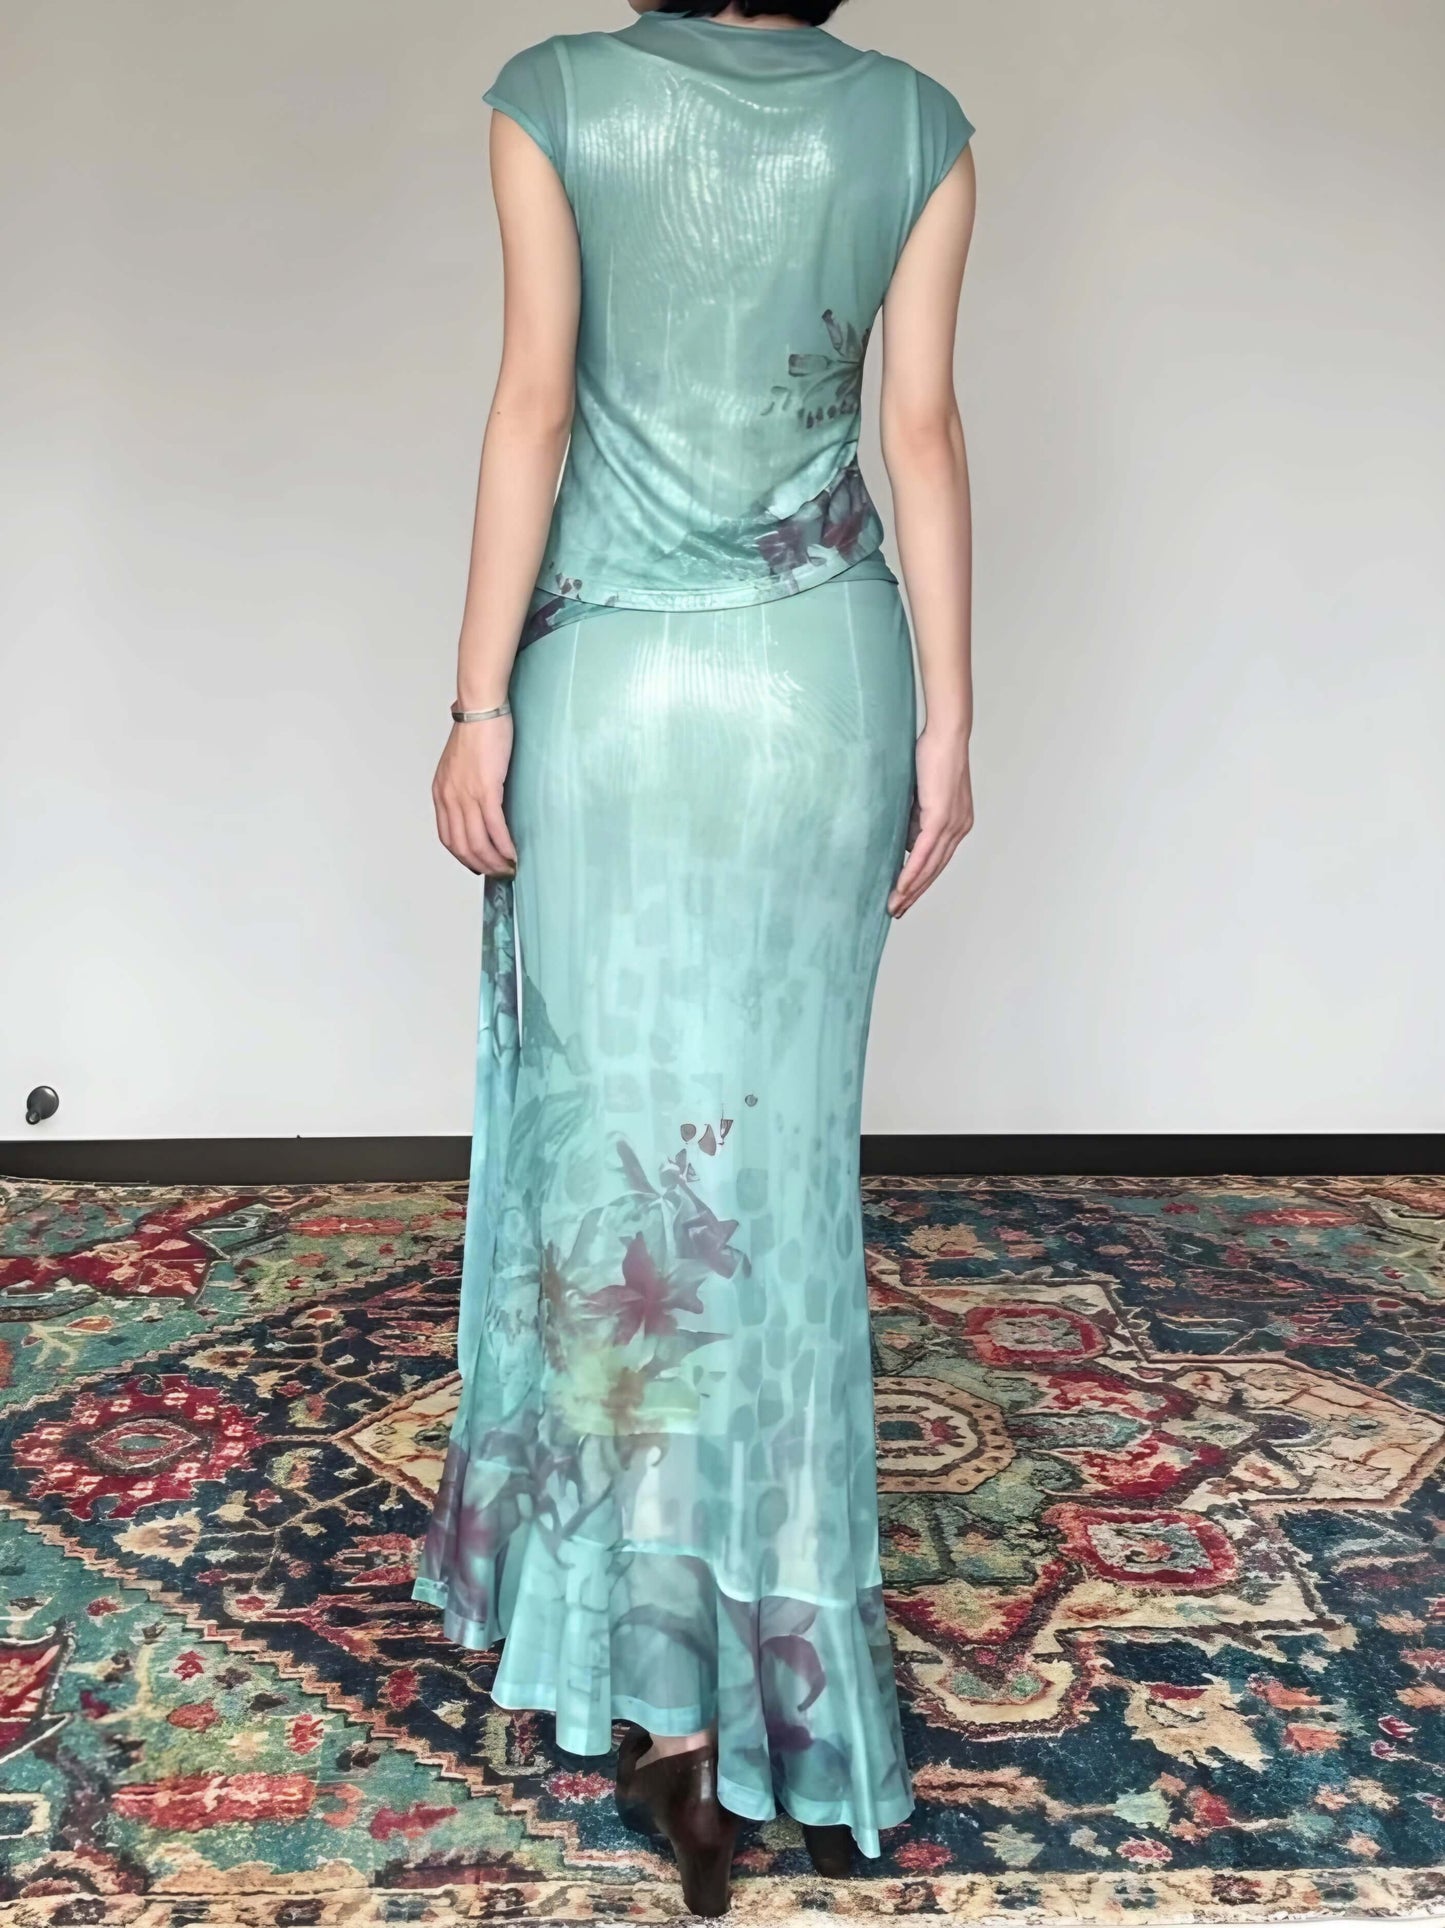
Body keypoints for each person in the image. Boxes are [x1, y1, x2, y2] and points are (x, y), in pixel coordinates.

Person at [412, 0, 976, 1912]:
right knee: (776, 1192)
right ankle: (783, 1701)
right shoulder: (916, 122)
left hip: (616, 693)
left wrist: (475, 705)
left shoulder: (555, 97)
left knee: (619, 1184)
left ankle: (641, 1686)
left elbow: (533, 406)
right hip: (825, 684)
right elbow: (916, 432)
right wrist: (950, 723)